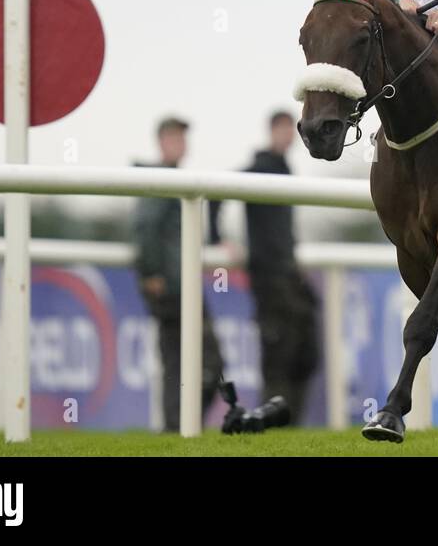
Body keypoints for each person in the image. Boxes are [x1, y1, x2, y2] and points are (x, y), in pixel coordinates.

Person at [210, 111, 320, 424]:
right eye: (283, 128)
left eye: (291, 129)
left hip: (288, 275)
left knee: (306, 352)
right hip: (268, 278)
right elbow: (217, 193)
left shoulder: (285, 169)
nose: (288, 135)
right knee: (278, 356)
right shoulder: (260, 167)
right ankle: (274, 425)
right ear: (271, 131)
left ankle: (289, 425)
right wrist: (218, 240)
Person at [133, 116, 224, 431]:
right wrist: (152, 272)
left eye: (183, 137)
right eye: (175, 137)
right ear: (161, 141)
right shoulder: (160, 180)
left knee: (194, 362)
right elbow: (145, 228)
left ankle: (182, 426)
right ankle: (178, 427)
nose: (181, 143)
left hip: (182, 284)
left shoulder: (173, 179)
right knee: (189, 362)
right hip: (171, 288)